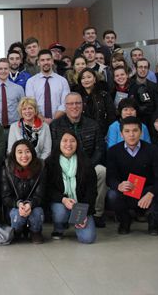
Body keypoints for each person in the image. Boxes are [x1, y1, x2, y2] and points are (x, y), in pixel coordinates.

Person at [50, 92, 107, 227]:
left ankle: (96, 213)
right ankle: (64, 214)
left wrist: (86, 166)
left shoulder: (93, 124)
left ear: (82, 105)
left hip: (87, 165)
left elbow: (99, 149)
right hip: (64, 165)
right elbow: (54, 150)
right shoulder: (55, 125)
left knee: (102, 170)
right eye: (70, 104)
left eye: (77, 103)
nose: (74, 106)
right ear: (65, 106)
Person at [106, 116, 158, 235]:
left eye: (135, 131)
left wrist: (151, 193)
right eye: (127, 131)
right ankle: (125, 220)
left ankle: (153, 221)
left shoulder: (153, 150)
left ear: (141, 133)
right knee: (112, 195)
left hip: (147, 191)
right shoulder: (113, 151)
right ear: (121, 134)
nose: (131, 135)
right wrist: (118, 185)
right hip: (126, 191)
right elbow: (110, 177)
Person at [45, 130, 97, 243]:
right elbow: (48, 189)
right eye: (65, 141)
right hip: (60, 202)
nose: (68, 144)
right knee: (60, 212)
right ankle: (59, 227)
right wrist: (63, 199)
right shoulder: (50, 162)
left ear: (77, 143)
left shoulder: (86, 162)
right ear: (59, 143)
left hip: (81, 205)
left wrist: (84, 213)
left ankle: (76, 220)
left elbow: (92, 191)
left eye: (72, 141)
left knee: (87, 238)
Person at [2, 139, 45, 243]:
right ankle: (17, 232)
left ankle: (35, 232)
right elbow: (5, 197)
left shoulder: (40, 167)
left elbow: (40, 195)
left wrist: (30, 204)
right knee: (17, 215)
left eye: (27, 151)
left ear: (32, 153)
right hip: (14, 206)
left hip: (34, 206)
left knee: (37, 212)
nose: (24, 155)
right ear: (14, 155)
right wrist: (19, 204)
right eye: (20, 152)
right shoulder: (7, 168)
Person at [25, 50, 70, 124]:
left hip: (59, 122)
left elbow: (65, 103)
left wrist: (53, 120)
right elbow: (31, 104)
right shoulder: (31, 82)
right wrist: (43, 119)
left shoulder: (62, 81)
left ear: (52, 61)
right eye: (42, 60)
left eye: (48, 59)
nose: (46, 62)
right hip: (37, 122)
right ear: (38, 63)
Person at [76, 68, 116, 134]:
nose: (86, 80)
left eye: (89, 77)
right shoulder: (77, 96)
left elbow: (111, 115)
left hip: (102, 131)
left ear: (94, 79)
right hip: (82, 132)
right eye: (83, 78)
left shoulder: (104, 95)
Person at [128, 58, 158, 128]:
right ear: (136, 69)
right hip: (133, 123)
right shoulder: (129, 86)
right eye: (140, 67)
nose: (143, 69)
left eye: (145, 67)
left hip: (151, 124)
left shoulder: (155, 86)